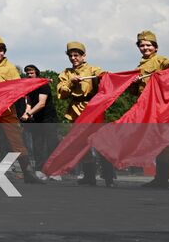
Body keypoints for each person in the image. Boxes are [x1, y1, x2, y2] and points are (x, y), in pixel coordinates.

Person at [0, 36, 41, 184]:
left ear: (4, 51)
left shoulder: (10, 68)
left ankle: (28, 173)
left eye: (0, 50)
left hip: (7, 108)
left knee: (16, 139)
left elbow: (17, 87)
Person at [133, 30, 169, 189]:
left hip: (162, 108)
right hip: (149, 109)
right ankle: (162, 179)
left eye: (148, 45)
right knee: (158, 143)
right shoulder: (139, 67)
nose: (145, 48)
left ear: (155, 47)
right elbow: (136, 92)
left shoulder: (158, 60)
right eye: (142, 45)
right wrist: (135, 82)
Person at [57, 41, 113, 186]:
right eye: (71, 55)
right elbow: (62, 93)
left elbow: (103, 78)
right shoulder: (66, 73)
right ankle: (89, 176)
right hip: (75, 110)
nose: (73, 58)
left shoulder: (92, 69)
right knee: (81, 144)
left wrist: (104, 76)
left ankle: (109, 177)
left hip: (93, 109)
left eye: (76, 55)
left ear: (84, 56)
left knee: (101, 143)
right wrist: (70, 82)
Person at [19, 64, 58, 179]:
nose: (29, 75)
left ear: (36, 73)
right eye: (27, 73)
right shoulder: (30, 87)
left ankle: (54, 171)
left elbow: (41, 103)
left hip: (48, 118)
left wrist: (28, 114)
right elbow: (30, 101)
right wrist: (26, 112)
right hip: (37, 120)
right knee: (37, 145)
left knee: (51, 144)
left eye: (31, 73)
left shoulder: (43, 85)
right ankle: (39, 169)